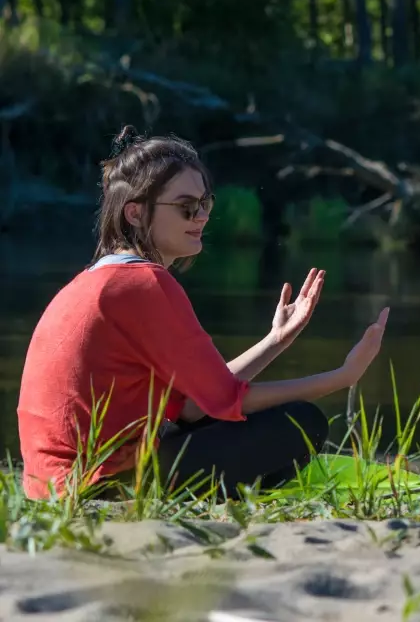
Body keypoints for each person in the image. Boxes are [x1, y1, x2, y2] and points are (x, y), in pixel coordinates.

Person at [16, 125, 391, 500]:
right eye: (186, 207)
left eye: (204, 204)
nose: (201, 217)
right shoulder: (143, 284)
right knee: (301, 422)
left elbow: (197, 406)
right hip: (97, 486)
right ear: (135, 213)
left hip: (52, 486)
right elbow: (228, 399)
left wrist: (275, 340)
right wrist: (342, 377)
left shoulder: (98, 280)